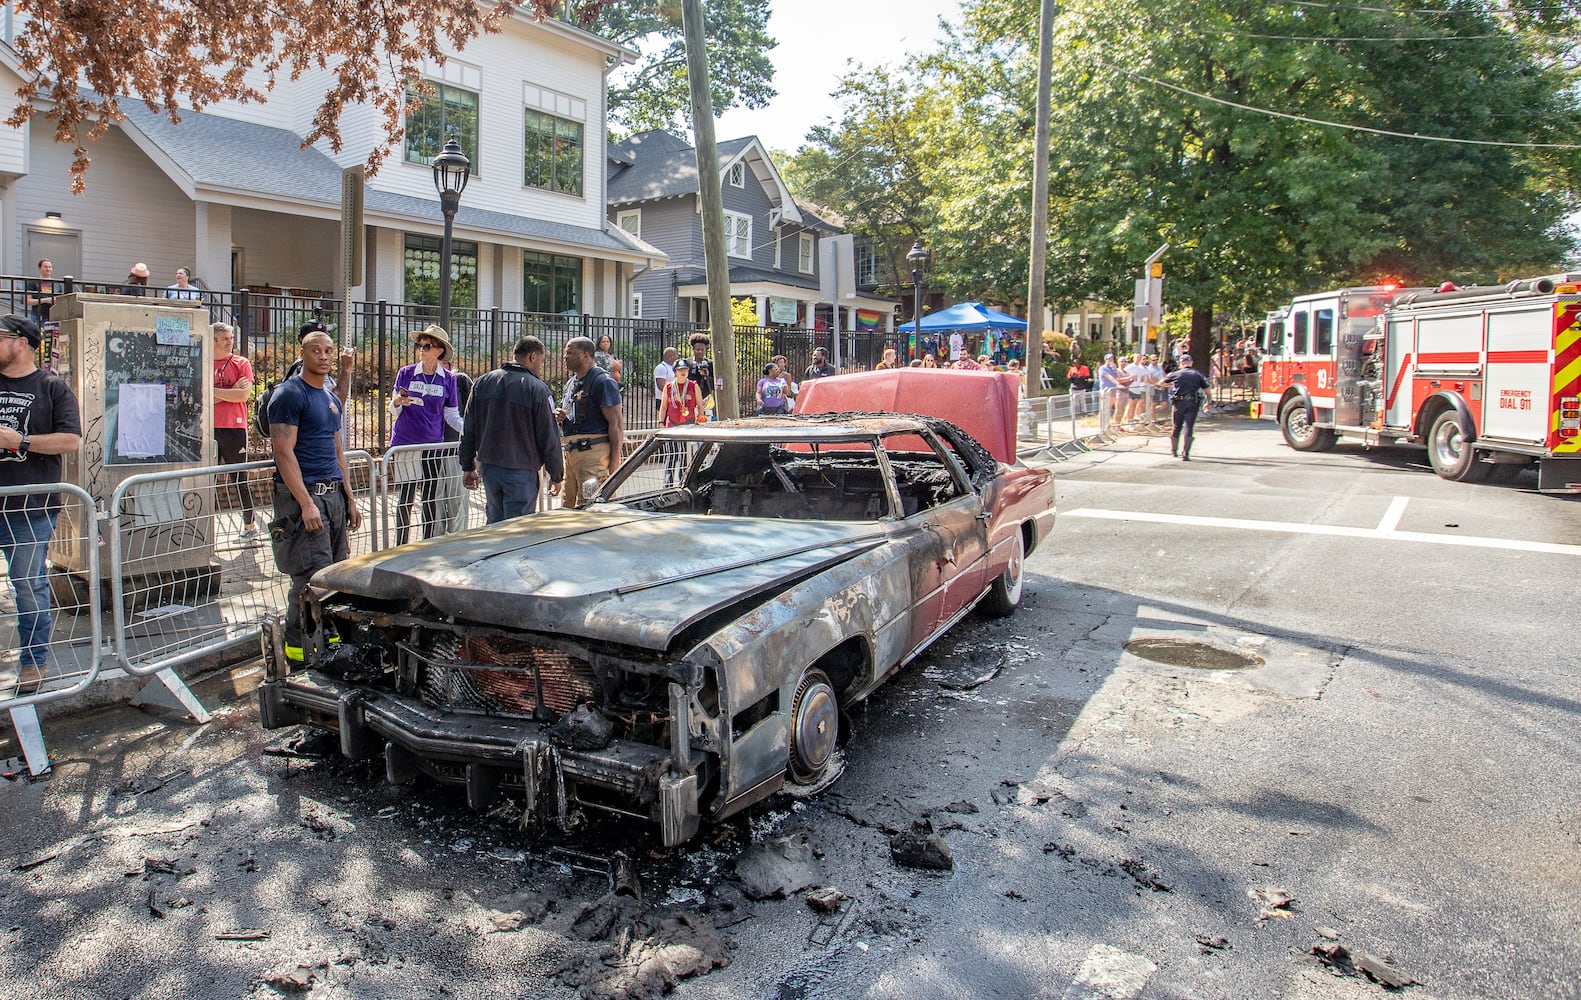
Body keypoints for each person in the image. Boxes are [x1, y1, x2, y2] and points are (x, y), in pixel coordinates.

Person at [266, 330, 361, 665]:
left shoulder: (331, 398)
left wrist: (349, 496)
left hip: (333, 496)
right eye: (316, 350)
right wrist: (305, 503)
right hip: (303, 497)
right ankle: (298, 650)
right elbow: (283, 451)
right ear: (303, 353)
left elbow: (338, 450)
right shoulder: (290, 395)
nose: (324, 356)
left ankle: (326, 639)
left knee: (335, 574)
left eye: (329, 351)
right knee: (311, 577)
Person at [0, 315, 82, 694]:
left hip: (29, 507)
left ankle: (33, 661)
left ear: (21, 343)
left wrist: (21, 441)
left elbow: (70, 441)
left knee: (27, 584)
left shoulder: (52, 388)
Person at [460, 336, 563, 522]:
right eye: (542, 360)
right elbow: (548, 436)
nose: (541, 365)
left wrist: (467, 465)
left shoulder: (482, 383)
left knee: (495, 526)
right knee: (518, 530)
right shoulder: (538, 389)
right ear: (532, 356)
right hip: (521, 470)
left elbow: (468, 429)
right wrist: (556, 475)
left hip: (490, 468)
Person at [388, 325, 462, 545]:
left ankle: (426, 545)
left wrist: (470, 432)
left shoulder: (448, 379)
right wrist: (398, 402)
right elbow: (393, 408)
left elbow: (451, 415)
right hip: (406, 444)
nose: (421, 349)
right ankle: (401, 544)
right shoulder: (406, 373)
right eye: (419, 344)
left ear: (439, 350)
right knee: (406, 497)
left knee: (430, 498)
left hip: (432, 446)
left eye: (427, 345)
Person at [556, 336, 623, 507]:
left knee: (592, 507)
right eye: (566, 353)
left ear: (586, 355)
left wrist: (615, 464)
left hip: (593, 455)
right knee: (568, 507)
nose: (566, 357)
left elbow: (616, 424)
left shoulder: (603, 381)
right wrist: (564, 418)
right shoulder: (572, 383)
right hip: (571, 454)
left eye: (571, 353)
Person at [210, 322, 257, 541]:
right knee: (206, 479)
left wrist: (213, 394)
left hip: (234, 427)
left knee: (239, 478)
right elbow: (201, 395)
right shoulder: (204, 361)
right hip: (209, 426)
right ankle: (205, 526)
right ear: (214, 340)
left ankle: (249, 524)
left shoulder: (241, 363)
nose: (230, 342)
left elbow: (242, 396)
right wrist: (229, 391)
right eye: (225, 338)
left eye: (231, 338)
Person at [437, 357, 473, 533]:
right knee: (434, 503)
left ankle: (458, 541)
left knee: (457, 501)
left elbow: (472, 413)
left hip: (455, 451)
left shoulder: (460, 381)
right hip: (432, 452)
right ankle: (433, 543)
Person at [660, 359, 705, 486]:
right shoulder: (668, 387)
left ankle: (682, 482)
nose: (683, 372)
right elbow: (663, 407)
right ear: (675, 372)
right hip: (672, 424)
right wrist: (661, 422)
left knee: (685, 455)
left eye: (685, 370)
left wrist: (701, 418)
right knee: (672, 454)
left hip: (688, 424)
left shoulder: (692, 385)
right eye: (680, 370)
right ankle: (667, 484)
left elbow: (700, 405)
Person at [1163, 353, 1212, 461]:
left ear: (1181, 363)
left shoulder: (1176, 374)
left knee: (1176, 426)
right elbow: (1207, 391)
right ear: (1191, 363)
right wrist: (1208, 403)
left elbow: (1162, 383)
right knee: (1189, 427)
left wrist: (1171, 385)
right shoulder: (1198, 374)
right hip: (1192, 403)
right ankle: (1186, 453)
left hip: (1179, 403)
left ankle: (1174, 450)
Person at [686, 333, 715, 417]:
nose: (700, 352)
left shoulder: (710, 363)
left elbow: (714, 384)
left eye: (702, 349)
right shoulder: (687, 363)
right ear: (693, 349)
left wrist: (706, 376)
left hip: (705, 399)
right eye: (697, 349)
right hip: (690, 399)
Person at [23, 260, 55, 325]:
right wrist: (45, 300)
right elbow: (28, 301)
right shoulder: (33, 282)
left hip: (53, 316)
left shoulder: (57, 284)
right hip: (37, 315)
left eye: (50, 267)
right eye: (45, 267)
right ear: (40, 268)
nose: (48, 269)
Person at [652, 346, 677, 417]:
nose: (677, 357)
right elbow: (661, 386)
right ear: (669, 356)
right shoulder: (661, 368)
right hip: (663, 399)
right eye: (675, 355)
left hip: (672, 399)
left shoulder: (671, 367)